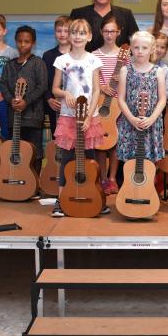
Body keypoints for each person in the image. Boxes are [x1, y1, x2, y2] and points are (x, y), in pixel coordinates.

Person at [51, 19, 106, 217]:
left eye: (82, 33)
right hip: (68, 117)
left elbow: (98, 90)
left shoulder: (93, 60)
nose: (77, 36)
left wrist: (90, 117)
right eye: (74, 32)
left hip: (89, 117)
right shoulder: (61, 60)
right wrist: (65, 94)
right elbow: (55, 88)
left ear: (89, 36)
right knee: (66, 159)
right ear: (68, 35)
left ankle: (94, 196)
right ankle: (60, 199)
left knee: (90, 160)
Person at [116, 31, 167, 205]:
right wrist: (131, 119)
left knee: (149, 162)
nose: (140, 51)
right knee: (130, 162)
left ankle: (147, 192)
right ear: (130, 48)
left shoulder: (158, 71)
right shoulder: (125, 70)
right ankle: (129, 191)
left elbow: (162, 100)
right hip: (130, 124)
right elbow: (121, 98)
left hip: (150, 124)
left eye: (144, 48)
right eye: (136, 47)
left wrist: (151, 118)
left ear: (152, 49)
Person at [0, 25, 47, 184]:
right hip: (14, 117)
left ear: (33, 43)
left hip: (33, 117)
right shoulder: (10, 65)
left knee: (35, 152)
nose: (22, 45)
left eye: (26, 41)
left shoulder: (38, 63)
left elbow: (42, 86)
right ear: (15, 42)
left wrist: (26, 101)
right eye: (19, 41)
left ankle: (34, 184)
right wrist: (10, 99)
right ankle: (17, 179)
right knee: (16, 151)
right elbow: (3, 85)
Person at [93, 15, 127, 195]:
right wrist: (102, 86)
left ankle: (112, 179)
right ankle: (102, 178)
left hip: (117, 106)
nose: (109, 35)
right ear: (101, 32)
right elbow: (92, 80)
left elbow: (130, 78)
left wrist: (120, 80)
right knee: (100, 143)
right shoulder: (94, 55)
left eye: (112, 31)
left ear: (118, 32)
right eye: (105, 31)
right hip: (100, 103)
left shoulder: (124, 55)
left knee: (114, 143)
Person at [70, 0, 139, 52]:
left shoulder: (126, 15)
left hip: (118, 63)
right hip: (84, 62)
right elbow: (69, 41)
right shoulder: (78, 14)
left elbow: (136, 41)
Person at [42, 15, 71, 136]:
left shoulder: (80, 55)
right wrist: (49, 99)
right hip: (55, 105)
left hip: (75, 105)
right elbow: (44, 81)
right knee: (57, 139)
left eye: (66, 31)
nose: (62, 34)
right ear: (55, 33)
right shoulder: (48, 56)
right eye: (59, 31)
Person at [151, 33, 168, 105]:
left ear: (166, 50)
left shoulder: (166, 70)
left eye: (162, 47)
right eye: (156, 46)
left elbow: (167, 92)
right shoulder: (141, 64)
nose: (159, 50)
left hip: (157, 107)